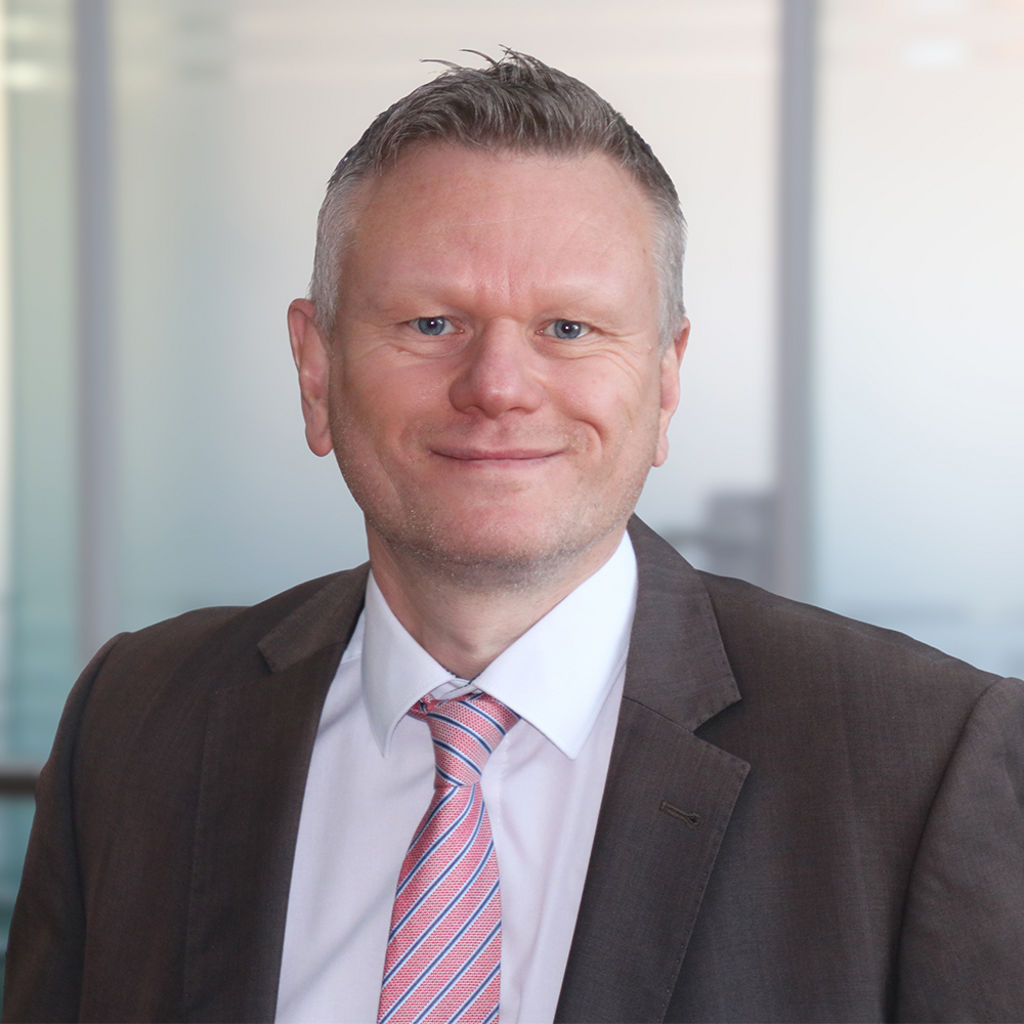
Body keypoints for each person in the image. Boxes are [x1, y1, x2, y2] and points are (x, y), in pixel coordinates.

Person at [3, 50, 1023, 1024]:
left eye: (568, 328)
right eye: (431, 324)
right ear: (316, 371)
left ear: (665, 381)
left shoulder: (924, 762)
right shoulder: (135, 722)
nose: (497, 387)